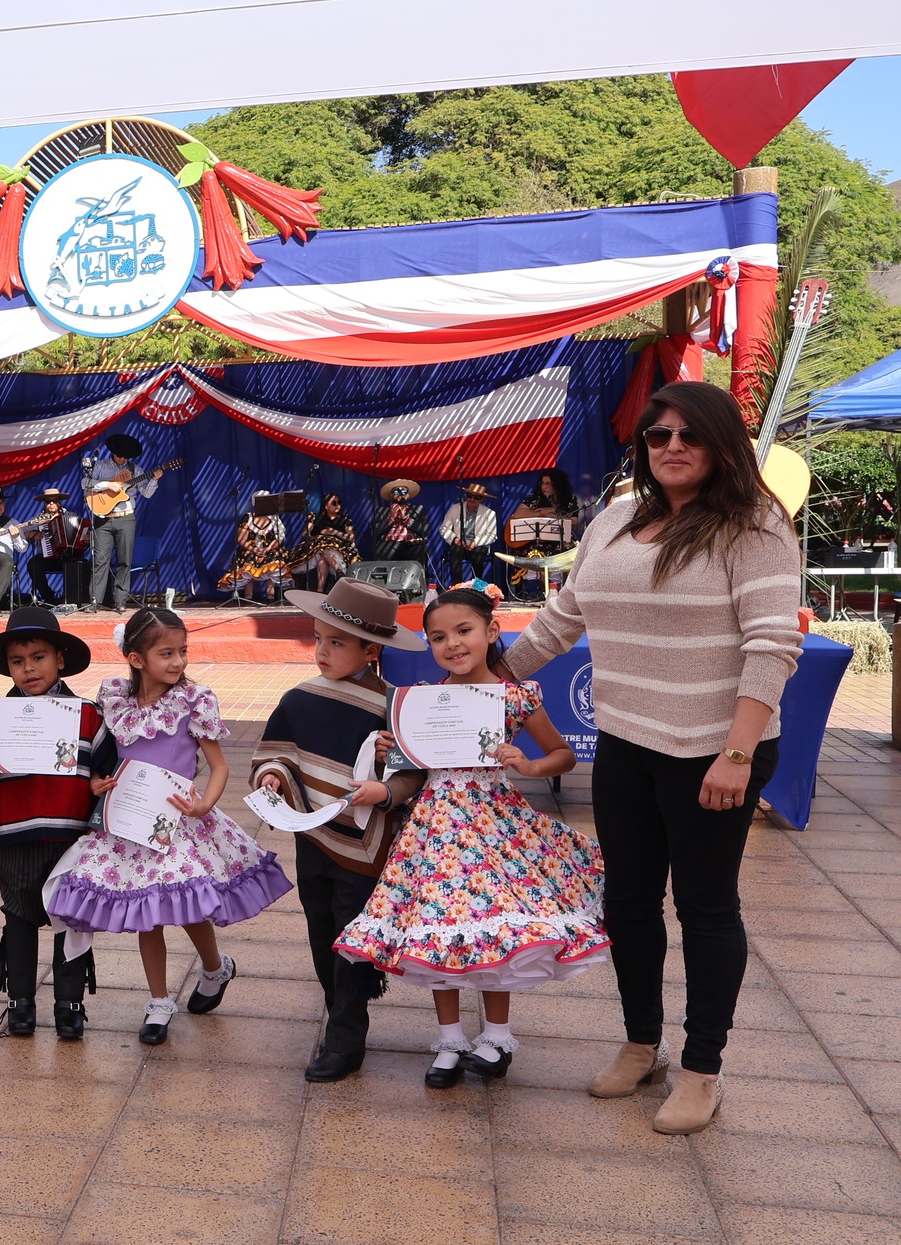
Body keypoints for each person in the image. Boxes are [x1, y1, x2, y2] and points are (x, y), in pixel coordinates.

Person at [506, 380, 802, 1134]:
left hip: (715, 750)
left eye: (689, 435)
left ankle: (702, 1070)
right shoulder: (611, 522)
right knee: (628, 902)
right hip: (626, 742)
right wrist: (483, 679)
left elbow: (773, 646)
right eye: (658, 435)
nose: (671, 446)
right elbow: (562, 617)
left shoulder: (753, 524)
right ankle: (643, 1043)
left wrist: (737, 753)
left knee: (705, 908)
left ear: (720, 444)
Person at [336, 586, 607, 1089]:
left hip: (493, 823)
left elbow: (563, 755)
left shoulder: (514, 696)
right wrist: (391, 749)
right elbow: (410, 764)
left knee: (492, 925)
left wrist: (528, 764)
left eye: (463, 631)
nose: (452, 645)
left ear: (491, 632)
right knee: (437, 924)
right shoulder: (421, 702)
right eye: (438, 637)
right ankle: (450, 1037)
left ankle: (496, 1036)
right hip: (435, 828)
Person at [45, 607, 293, 1045]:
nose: (178, 662)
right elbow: (108, 758)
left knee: (190, 904)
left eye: (183, 651)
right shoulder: (115, 700)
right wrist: (98, 782)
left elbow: (218, 767)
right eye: (166, 653)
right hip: (127, 824)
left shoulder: (193, 702)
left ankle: (215, 968)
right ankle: (159, 1002)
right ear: (136, 659)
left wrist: (205, 805)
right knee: (149, 914)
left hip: (179, 822)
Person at [250, 579, 427, 1082]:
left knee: (353, 935)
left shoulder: (394, 707)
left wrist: (388, 790)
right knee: (320, 928)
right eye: (318, 639)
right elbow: (281, 753)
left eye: (337, 642)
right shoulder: (300, 698)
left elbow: (413, 770)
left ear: (372, 650)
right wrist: (273, 777)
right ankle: (336, 1009)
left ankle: (347, 1035)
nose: (322, 652)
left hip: (367, 842)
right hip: (312, 836)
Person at [0, 607, 105, 1041]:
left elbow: (106, 765)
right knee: (19, 917)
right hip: (18, 836)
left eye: (39, 657)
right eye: (18, 661)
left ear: (60, 659)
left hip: (71, 835)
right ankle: (19, 1003)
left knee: (71, 918)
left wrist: (101, 785)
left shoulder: (89, 715)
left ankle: (70, 1005)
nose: (29, 669)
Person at [87, 433, 155, 611]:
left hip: (126, 518)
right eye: (119, 455)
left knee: (125, 561)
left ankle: (121, 601)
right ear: (113, 453)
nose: (122, 459)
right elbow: (85, 482)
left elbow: (146, 493)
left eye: (125, 456)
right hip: (103, 519)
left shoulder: (135, 470)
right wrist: (106, 485)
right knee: (100, 561)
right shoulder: (100, 466)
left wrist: (154, 479)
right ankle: (95, 601)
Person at [506, 469, 580, 597]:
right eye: (542, 483)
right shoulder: (535, 497)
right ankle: (549, 592)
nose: (544, 487)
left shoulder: (569, 499)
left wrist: (554, 511)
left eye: (548, 484)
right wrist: (540, 513)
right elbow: (518, 513)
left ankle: (566, 594)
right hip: (537, 540)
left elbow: (573, 520)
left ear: (557, 485)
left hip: (560, 540)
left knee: (570, 552)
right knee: (537, 554)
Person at [25, 488, 89, 606]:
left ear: (60, 502)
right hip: (48, 557)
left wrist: (86, 538)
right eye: (48, 501)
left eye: (54, 501)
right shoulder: (38, 519)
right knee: (32, 564)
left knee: (84, 564)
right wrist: (33, 534)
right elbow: (23, 532)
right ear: (44, 503)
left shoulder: (71, 516)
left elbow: (84, 533)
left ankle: (73, 599)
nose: (51, 504)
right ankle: (49, 598)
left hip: (69, 556)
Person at [297, 493, 359, 593]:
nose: (338, 505)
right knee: (322, 554)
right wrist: (316, 537)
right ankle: (337, 572)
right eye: (334, 503)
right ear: (326, 505)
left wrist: (333, 532)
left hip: (339, 550)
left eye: (339, 502)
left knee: (324, 555)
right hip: (318, 550)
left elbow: (351, 538)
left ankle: (320, 590)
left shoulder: (345, 519)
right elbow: (305, 534)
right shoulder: (315, 517)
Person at [229, 501, 288, 604]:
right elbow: (241, 539)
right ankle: (248, 597)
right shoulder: (248, 518)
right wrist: (253, 549)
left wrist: (269, 548)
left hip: (269, 549)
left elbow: (280, 539)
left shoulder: (275, 519)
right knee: (249, 558)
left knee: (274, 558)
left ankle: (270, 596)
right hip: (251, 549)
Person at [440, 483, 498, 586]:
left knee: (477, 554)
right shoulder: (455, 508)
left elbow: (492, 535)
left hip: (477, 545)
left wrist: (476, 542)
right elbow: (444, 528)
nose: (472, 499)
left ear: (482, 499)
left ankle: (477, 585)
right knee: (455, 550)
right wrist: (455, 539)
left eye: (477, 497)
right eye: (470, 496)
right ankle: (457, 586)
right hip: (460, 543)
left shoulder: (489, 513)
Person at [371, 479, 429, 565]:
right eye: (397, 491)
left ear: (408, 495)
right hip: (389, 546)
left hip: (410, 545)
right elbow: (374, 533)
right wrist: (391, 518)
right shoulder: (382, 511)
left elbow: (425, 530)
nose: (400, 493)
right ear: (391, 495)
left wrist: (405, 518)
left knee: (420, 550)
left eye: (404, 491)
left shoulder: (417, 510)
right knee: (379, 550)